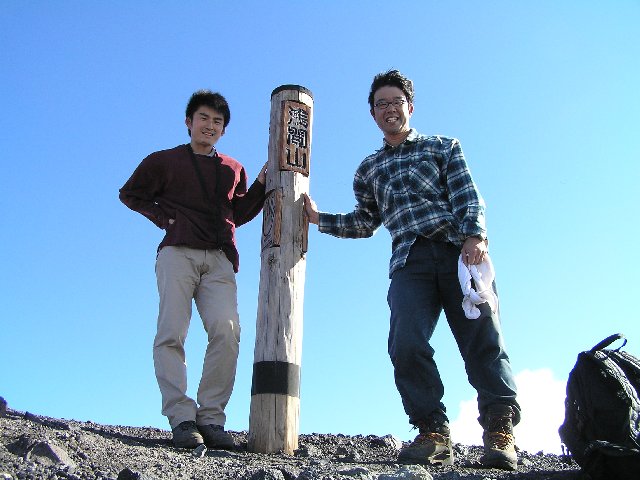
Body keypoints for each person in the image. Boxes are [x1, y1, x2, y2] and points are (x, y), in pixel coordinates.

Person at [303, 70, 521, 470]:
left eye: (396, 101)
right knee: (405, 341)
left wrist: (475, 236)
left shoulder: (442, 147)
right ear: (372, 114)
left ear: (410, 106)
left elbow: (468, 195)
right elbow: (364, 223)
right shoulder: (368, 170)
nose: (389, 109)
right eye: (381, 104)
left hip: (459, 254)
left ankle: (499, 429)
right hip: (409, 261)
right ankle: (433, 431)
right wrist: (319, 219)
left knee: (482, 340)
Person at [119, 90, 267, 449]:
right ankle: (182, 418)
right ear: (189, 122)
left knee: (227, 332)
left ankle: (211, 418)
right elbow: (130, 194)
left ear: (223, 130)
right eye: (204, 118)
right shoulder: (164, 161)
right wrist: (164, 217)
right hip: (177, 253)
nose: (210, 125)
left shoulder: (233, 168)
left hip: (218, 258)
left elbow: (241, 212)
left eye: (218, 122)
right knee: (172, 332)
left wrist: (262, 182)